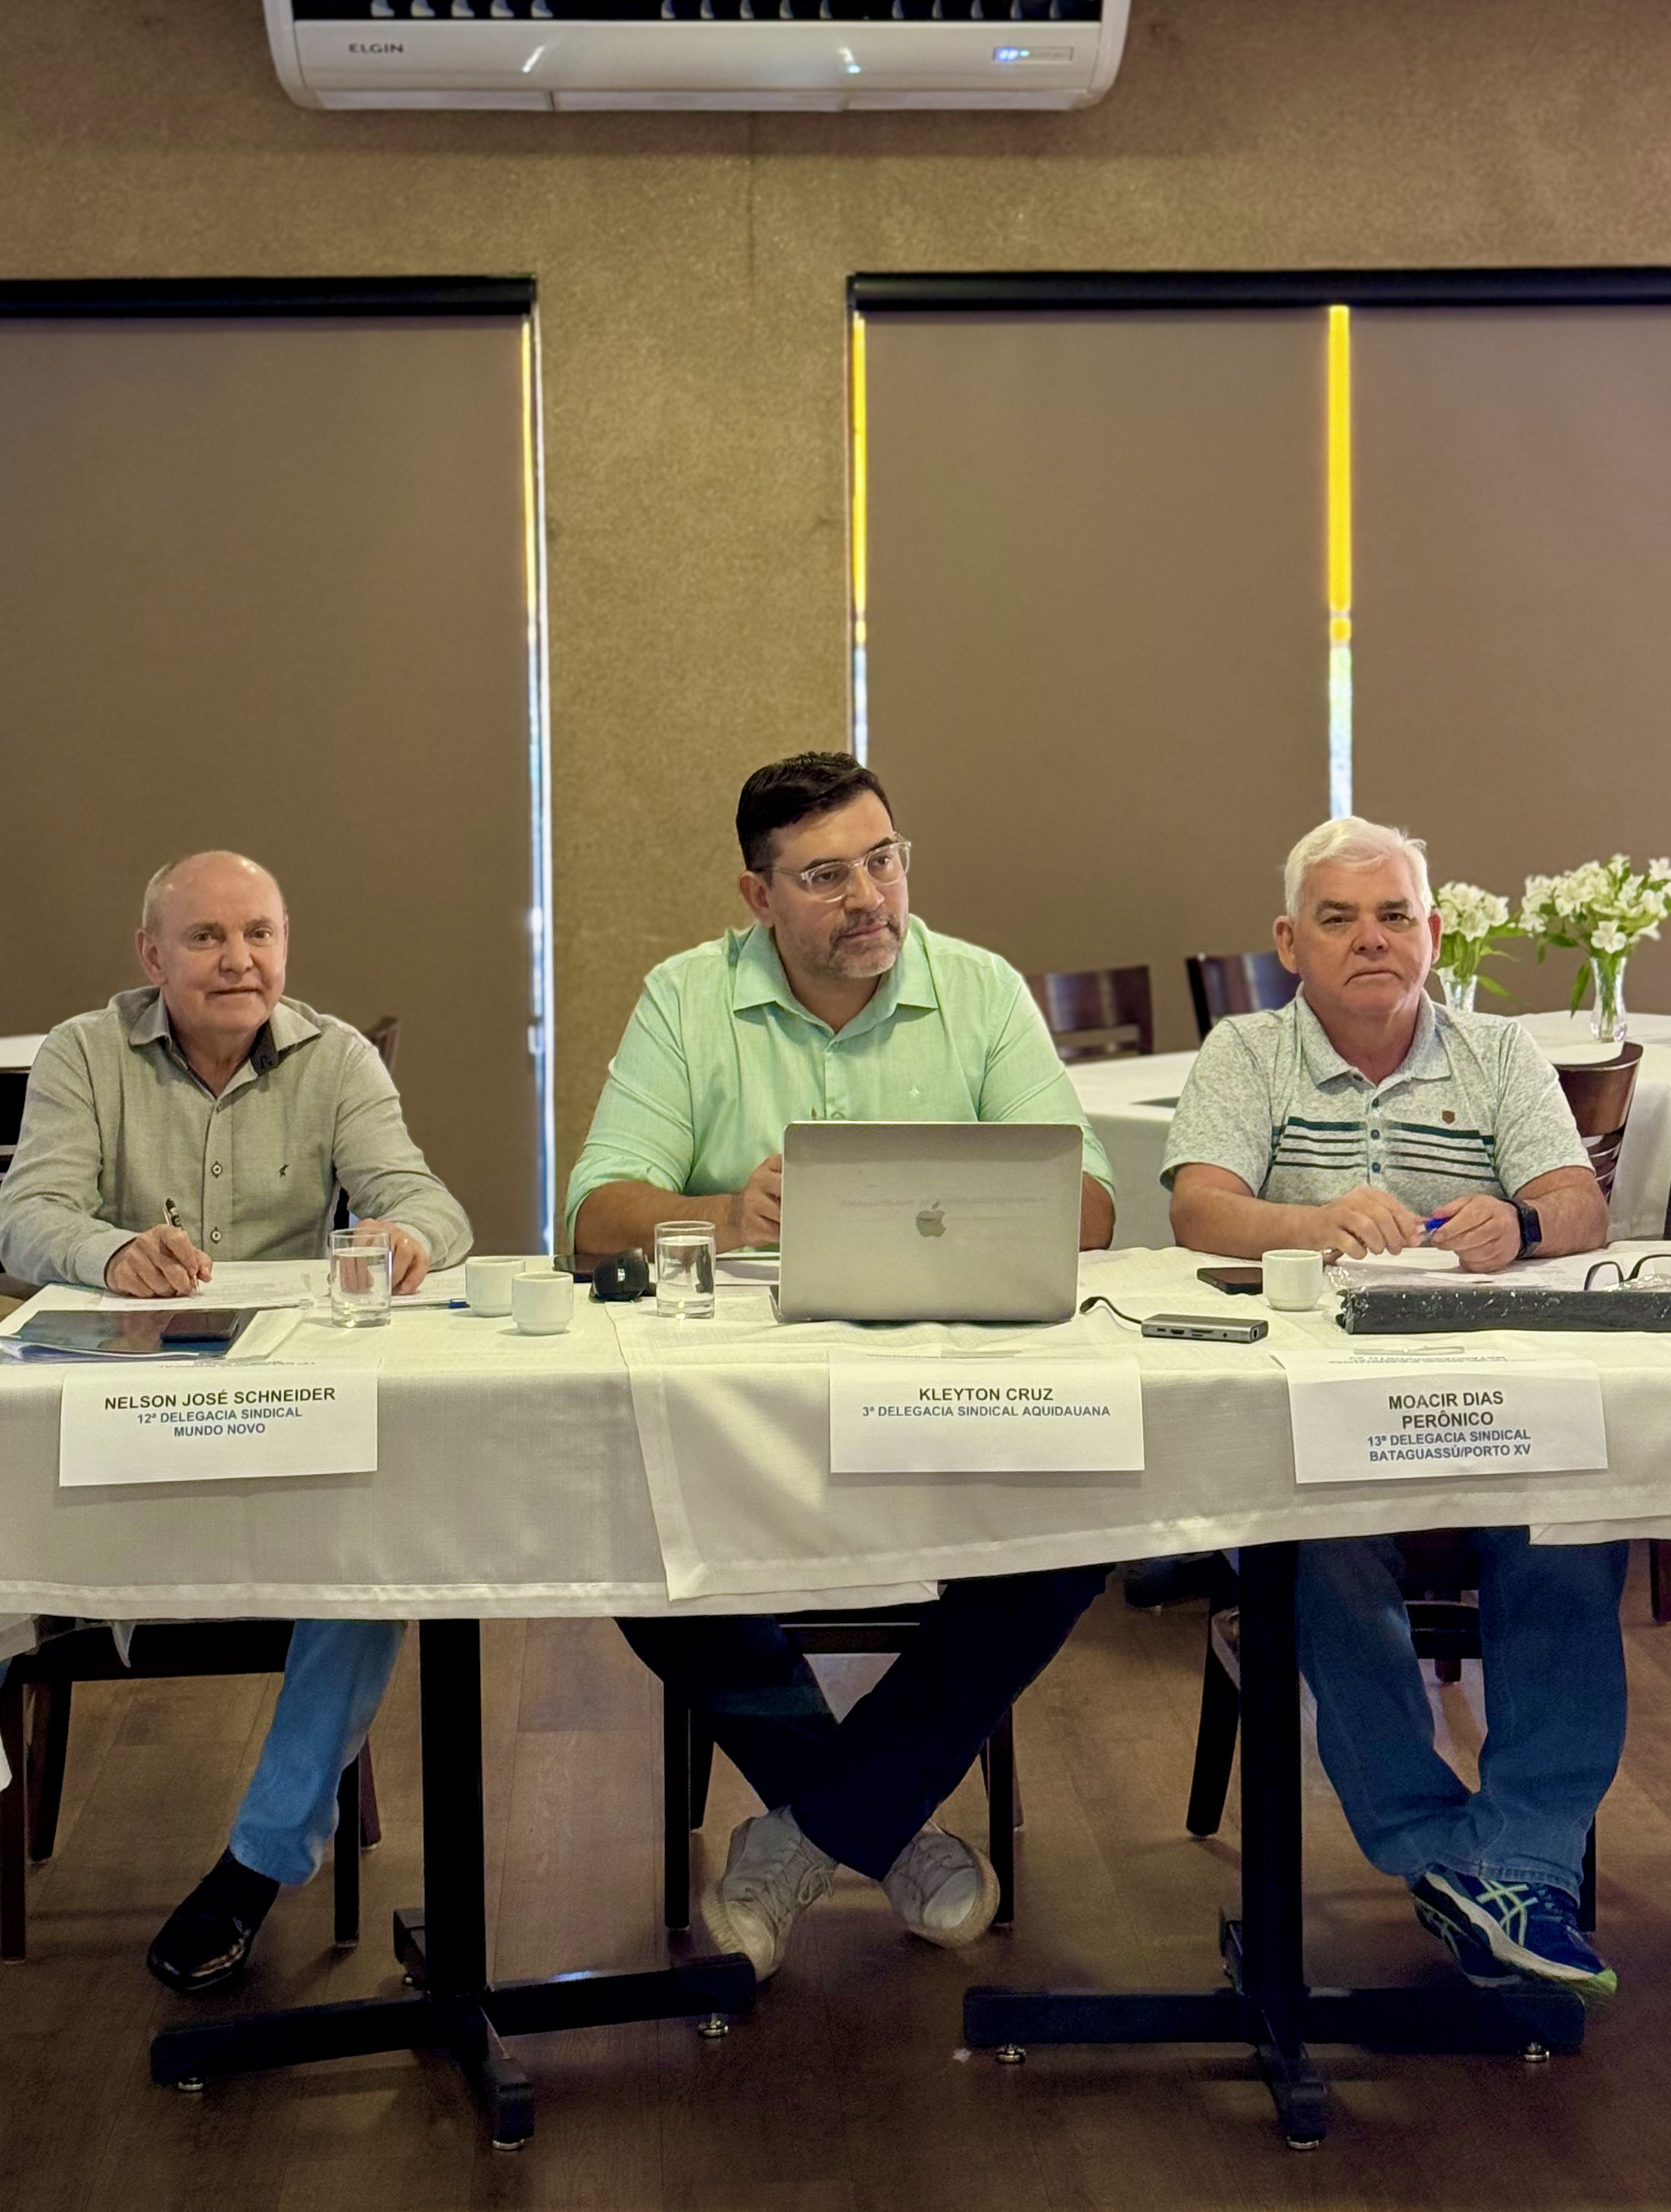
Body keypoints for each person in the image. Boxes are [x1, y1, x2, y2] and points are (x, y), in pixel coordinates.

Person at [568, 751, 1115, 1979]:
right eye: (826, 876)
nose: (869, 896)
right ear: (758, 897)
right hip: (749, 1410)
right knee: (632, 1526)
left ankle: (812, 1827)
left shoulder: (978, 988)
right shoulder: (687, 997)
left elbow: (1090, 1207)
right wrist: (726, 1212)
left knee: (1083, 1522)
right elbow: (596, 1217)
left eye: (884, 860)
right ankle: (882, 1820)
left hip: (957, 1400)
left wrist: (965, 1195)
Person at [1162, 815, 1626, 2001]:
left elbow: (1581, 1205)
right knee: (1311, 1548)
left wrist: (1521, 1221)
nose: (1372, 938)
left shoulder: (1497, 1050)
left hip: (1491, 1400)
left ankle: (1519, 1860)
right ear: (1288, 942)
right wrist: (1308, 1222)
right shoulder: (1246, 1051)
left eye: (1395, 914)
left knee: (1578, 1526)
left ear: (1433, 929)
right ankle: (1437, 1850)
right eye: (1339, 918)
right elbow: (1200, 1206)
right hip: (1310, 1412)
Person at [0, 851, 471, 1990]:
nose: (238, 960)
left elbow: (430, 1204)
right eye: (206, 937)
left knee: (382, 1548)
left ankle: (256, 1865)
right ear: (151, 954)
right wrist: (113, 1249)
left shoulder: (336, 1056)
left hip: (281, 1421)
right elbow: (25, 1218)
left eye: (259, 933)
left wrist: (406, 1237)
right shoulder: (83, 1053)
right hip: (120, 1425)